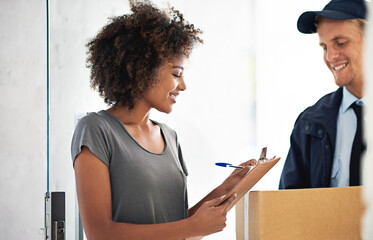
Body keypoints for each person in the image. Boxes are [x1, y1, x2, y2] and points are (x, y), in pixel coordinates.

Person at [71, 1, 255, 239]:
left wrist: (228, 186)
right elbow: (100, 233)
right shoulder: (96, 130)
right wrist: (192, 227)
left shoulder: (169, 136)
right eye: (176, 74)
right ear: (142, 67)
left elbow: (177, 226)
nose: (183, 86)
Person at [279, 0, 367, 189]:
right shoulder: (308, 124)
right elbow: (290, 207)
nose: (330, 57)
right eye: (325, 47)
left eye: (341, 43)